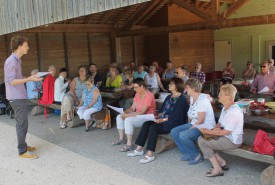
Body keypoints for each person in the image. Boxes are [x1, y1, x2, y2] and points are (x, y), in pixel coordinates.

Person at [127, 78, 189, 164]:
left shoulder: (182, 99)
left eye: (171, 84)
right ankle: (139, 149)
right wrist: (156, 117)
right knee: (146, 124)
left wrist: (162, 119)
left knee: (153, 128)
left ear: (177, 86)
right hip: (164, 120)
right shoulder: (169, 97)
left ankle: (150, 154)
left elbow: (177, 116)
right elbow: (162, 110)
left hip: (174, 122)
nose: (169, 85)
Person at [4, 35, 42, 159]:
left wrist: (28, 78)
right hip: (15, 97)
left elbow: (17, 79)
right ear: (19, 46)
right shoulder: (11, 61)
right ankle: (22, 151)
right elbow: (11, 81)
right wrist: (30, 79)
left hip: (19, 96)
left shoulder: (18, 60)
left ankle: (24, 145)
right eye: (26, 45)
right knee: (21, 124)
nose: (28, 47)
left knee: (23, 123)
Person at [198, 84, 243, 177]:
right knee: (203, 139)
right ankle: (221, 162)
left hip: (233, 141)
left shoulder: (233, 111)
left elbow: (225, 132)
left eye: (221, 94)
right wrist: (215, 129)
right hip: (225, 136)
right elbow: (219, 123)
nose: (218, 96)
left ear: (229, 97)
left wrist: (207, 132)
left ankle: (217, 168)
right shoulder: (226, 107)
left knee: (202, 141)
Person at [170, 78, 216, 165]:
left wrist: (189, 128)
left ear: (194, 88)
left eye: (187, 87)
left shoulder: (202, 100)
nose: (185, 89)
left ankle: (196, 155)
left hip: (205, 126)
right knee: (174, 131)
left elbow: (201, 120)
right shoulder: (192, 97)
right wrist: (188, 125)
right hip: (195, 123)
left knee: (183, 135)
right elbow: (190, 114)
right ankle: (187, 153)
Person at [112, 78, 156, 152]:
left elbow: (143, 112)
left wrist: (127, 116)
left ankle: (129, 145)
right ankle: (121, 139)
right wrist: (125, 113)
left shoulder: (149, 95)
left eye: (136, 87)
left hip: (148, 117)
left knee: (128, 120)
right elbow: (132, 108)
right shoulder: (137, 94)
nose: (134, 89)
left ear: (142, 86)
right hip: (138, 115)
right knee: (119, 117)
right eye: (134, 87)